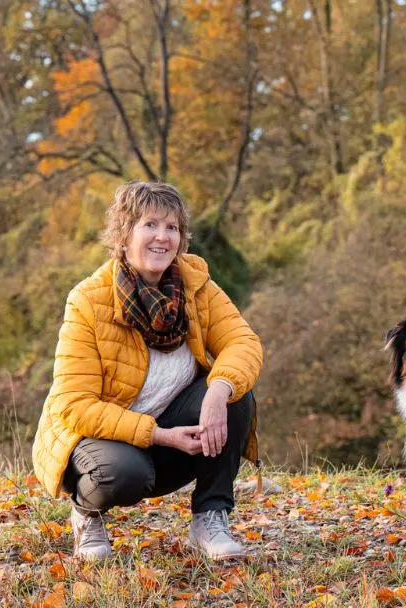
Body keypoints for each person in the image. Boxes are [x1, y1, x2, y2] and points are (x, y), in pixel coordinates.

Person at [31, 181, 262, 562]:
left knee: (234, 395)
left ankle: (209, 517)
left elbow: (243, 342)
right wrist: (160, 436)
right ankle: (86, 514)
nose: (162, 237)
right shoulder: (88, 300)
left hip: (167, 439)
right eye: (150, 225)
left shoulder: (195, 284)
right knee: (124, 473)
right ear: (124, 236)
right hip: (100, 443)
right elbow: (75, 405)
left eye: (172, 228)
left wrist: (219, 389)